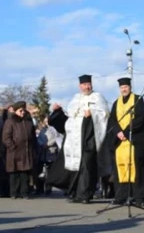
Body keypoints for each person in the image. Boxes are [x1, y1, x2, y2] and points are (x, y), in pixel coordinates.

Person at [47, 74, 110, 204]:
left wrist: (92, 113)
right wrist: (58, 110)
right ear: (80, 86)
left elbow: (105, 114)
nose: (86, 87)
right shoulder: (76, 99)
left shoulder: (98, 97)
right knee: (76, 168)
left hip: (90, 138)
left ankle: (86, 195)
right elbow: (70, 116)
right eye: (84, 85)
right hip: (75, 140)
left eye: (88, 84)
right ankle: (76, 193)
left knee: (87, 167)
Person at [107, 77, 144, 205]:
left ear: (130, 88)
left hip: (134, 140)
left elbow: (140, 118)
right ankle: (121, 195)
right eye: (121, 87)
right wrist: (118, 132)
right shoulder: (116, 102)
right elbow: (112, 120)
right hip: (120, 141)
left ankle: (138, 197)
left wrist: (125, 132)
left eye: (126, 87)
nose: (124, 89)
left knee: (136, 169)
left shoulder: (137, 100)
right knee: (121, 168)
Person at [2, 101, 36, 199]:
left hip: (26, 151)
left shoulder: (28, 122)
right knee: (14, 173)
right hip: (14, 151)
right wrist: (12, 147)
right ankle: (13, 192)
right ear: (16, 111)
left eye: (24, 111)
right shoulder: (10, 121)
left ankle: (24, 192)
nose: (23, 113)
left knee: (24, 173)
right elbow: (6, 137)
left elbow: (33, 137)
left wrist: (33, 149)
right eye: (20, 111)